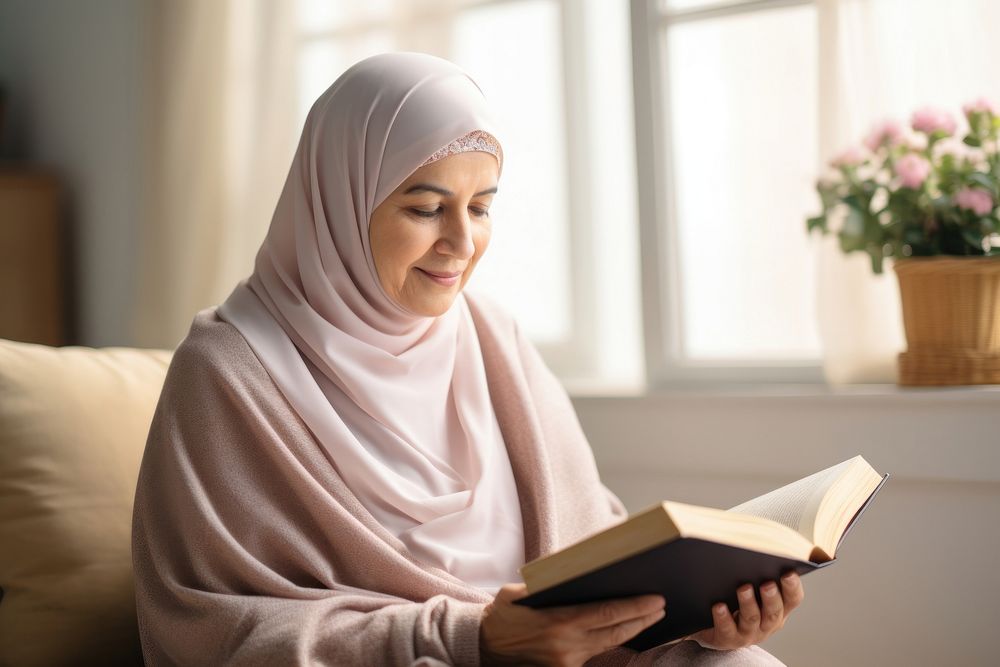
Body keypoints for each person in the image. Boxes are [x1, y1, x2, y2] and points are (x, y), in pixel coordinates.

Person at [132, 52, 802, 666]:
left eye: (481, 208)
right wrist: (473, 636)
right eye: (426, 208)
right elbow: (210, 630)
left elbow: (590, 545)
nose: (461, 241)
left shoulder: (491, 336)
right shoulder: (228, 372)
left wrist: (689, 616)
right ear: (338, 203)